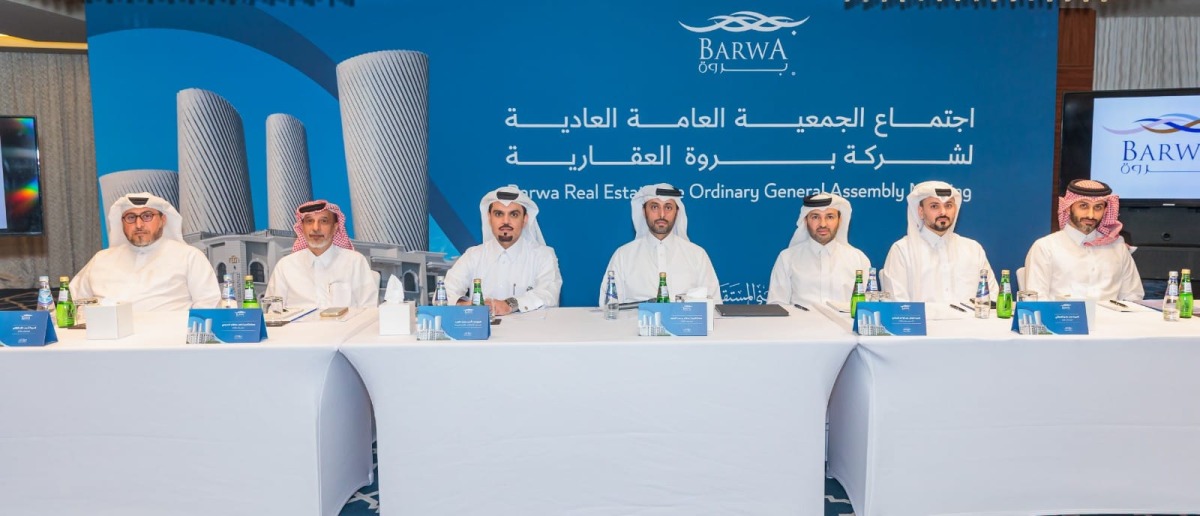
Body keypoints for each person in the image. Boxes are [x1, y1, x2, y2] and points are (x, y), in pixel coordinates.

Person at [70, 192, 220, 311]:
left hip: (168, 344)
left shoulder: (189, 257)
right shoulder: (101, 259)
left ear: (163, 220)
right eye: (130, 217)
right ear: (122, 222)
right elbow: (72, 302)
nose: (139, 224)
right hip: (108, 344)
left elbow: (208, 304)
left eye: (147, 216)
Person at [442, 185, 562, 315]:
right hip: (483, 334)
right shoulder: (473, 255)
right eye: (499, 214)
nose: (506, 221)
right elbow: (446, 290)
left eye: (514, 214)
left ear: (525, 219)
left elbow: (549, 294)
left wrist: (509, 305)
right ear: (489, 218)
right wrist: (467, 305)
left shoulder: (544, 255)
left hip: (530, 333)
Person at [599, 183, 722, 305]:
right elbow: (608, 308)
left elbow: (714, 306)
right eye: (654, 207)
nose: (662, 215)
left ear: (677, 212)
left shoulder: (697, 255)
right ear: (643, 211)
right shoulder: (623, 256)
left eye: (668, 207)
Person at [1023, 179, 1144, 301]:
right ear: (1069, 207)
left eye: (1098, 207)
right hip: (1062, 318)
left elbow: (1133, 296)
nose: (1091, 215)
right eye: (1083, 206)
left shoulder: (1118, 247)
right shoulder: (1046, 247)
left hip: (1112, 319)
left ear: (1105, 211)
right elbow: (1036, 300)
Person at [881, 180, 997, 305]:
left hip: (972, 323)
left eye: (948, 205)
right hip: (923, 324)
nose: (943, 212)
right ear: (921, 212)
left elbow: (992, 299)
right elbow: (897, 307)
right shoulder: (902, 251)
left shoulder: (973, 249)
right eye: (934, 206)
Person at [265, 200, 379, 308]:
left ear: (335, 228)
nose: (316, 228)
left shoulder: (354, 262)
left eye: (323, 221)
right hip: (299, 328)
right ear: (302, 227)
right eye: (309, 221)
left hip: (342, 328)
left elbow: (369, 310)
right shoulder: (286, 266)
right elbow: (273, 312)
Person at [767, 193, 871, 307]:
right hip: (800, 324)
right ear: (806, 221)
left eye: (830, 217)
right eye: (815, 217)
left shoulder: (858, 259)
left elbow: (866, 309)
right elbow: (776, 307)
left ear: (840, 220)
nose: (823, 224)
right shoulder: (787, 258)